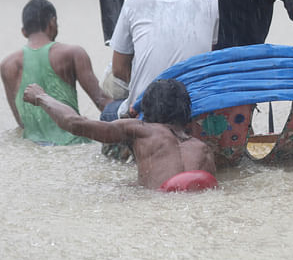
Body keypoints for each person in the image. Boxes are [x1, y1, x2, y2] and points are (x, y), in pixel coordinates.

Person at [23, 79, 217, 191]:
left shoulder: (140, 129)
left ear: (146, 111)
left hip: (158, 206)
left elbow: (75, 124)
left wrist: (41, 96)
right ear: (186, 114)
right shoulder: (204, 148)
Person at [103, 0, 219, 122]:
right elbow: (208, 53)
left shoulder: (135, 0)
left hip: (150, 108)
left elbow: (119, 69)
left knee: (108, 112)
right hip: (198, 103)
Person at [0, 0, 111, 145]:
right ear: (52, 22)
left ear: (24, 31)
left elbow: (22, 122)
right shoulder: (73, 53)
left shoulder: (7, 65)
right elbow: (102, 102)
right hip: (74, 145)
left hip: (34, 148)